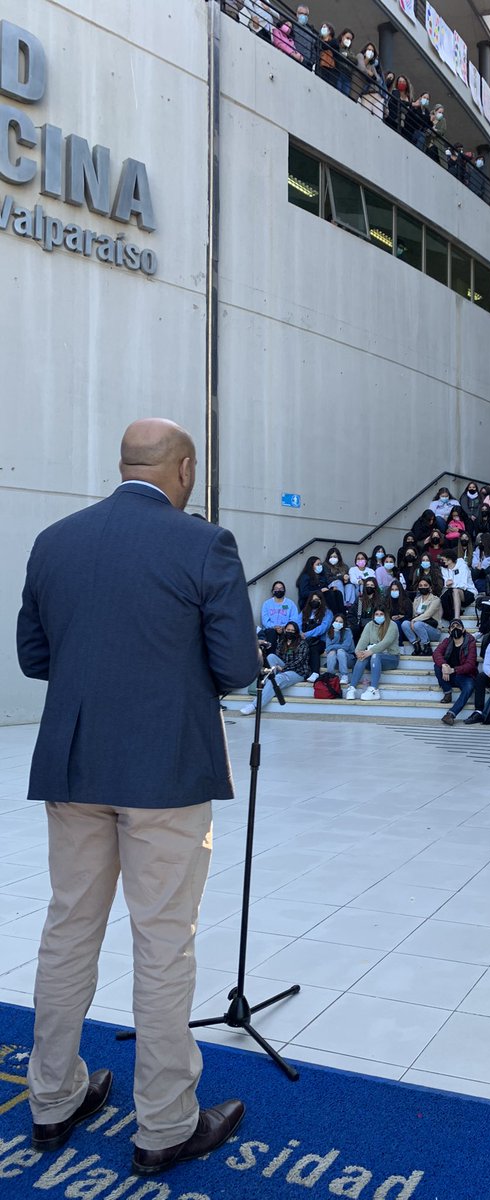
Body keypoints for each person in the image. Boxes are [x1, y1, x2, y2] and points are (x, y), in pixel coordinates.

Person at [16, 419, 258, 1173]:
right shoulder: (203, 544)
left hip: (76, 767)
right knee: (161, 942)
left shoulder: (56, 540)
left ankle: (52, 1101)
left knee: (67, 931)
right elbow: (238, 666)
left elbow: (33, 657)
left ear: (123, 465)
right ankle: (163, 1125)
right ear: (182, 469)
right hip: (165, 774)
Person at [241, 621, 309, 714]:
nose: (290, 632)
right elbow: (278, 656)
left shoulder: (302, 644)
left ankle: (254, 705)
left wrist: (283, 669)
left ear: (296, 632)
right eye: (288, 630)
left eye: (292, 631)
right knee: (271, 656)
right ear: (285, 630)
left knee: (277, 678)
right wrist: (279, 668)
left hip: (297, 672)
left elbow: (299, 662)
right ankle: (270, 685)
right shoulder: (282, 642)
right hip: (284, 668)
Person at [345, 605, 400, 699]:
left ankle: (374, 689)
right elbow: (363, 640)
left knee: (374, 656)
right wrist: (358, 651)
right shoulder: (369, 625)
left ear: (385, 615)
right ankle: (352, 687)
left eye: (381, 614)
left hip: (391, 657)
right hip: (373, 658)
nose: (379, 616)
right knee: (363, 656)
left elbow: (386, 642)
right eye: (377, 614)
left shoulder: (392, 625)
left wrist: (370, 651)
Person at [434, 619, 477, 725]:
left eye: (458, 626)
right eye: (453, 627)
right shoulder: (447, 641)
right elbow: (436, 653)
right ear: (449, 631)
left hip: (465, 675)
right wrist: (444, 665)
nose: (455, 629)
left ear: (463, 630)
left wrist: (453, 670)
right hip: (450, 674)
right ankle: (447, 692)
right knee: (437, 666)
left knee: (469, 687)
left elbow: (471, 665)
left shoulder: (470, 642)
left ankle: (450, 714)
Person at [401, 578, 443, 654]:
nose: (423, 587)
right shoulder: (416, 600)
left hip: (433, 630)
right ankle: (416, 645)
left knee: (417, 624)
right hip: (418, 629)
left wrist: (414, 620)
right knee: (405, 624)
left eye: (425, 585)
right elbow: (414, 615)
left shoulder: (435, 600)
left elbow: (428, 614)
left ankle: (427, 647)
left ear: (430, 587)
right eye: (421, 585)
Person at [259, 580, 300, 650]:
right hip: (270, 630)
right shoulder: (267, 604)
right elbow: (265, 620)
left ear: (284, 591)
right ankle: (270, 657)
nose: (279, 590)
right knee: (272, 632)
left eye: (281, 589)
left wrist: (284, 627)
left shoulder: (290, 604)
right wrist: (274, 627)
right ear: (273, 591)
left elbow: (294, 619)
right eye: (276, 589)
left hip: (286, 629)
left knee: (286, 634)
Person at [323, 613, 355, 683]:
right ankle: (330, 675)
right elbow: (328, 647)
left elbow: (345, 647)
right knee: (332, 652)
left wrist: (333, 646)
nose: (338, 623)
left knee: (340, 651)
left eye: (340, 622)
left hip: (348, 658)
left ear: (344, 624)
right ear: (333, 622)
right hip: (335, 660)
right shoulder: (329, 632)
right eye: (336, 621)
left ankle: (344, 675)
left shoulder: (347, 631)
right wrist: (331, 648)